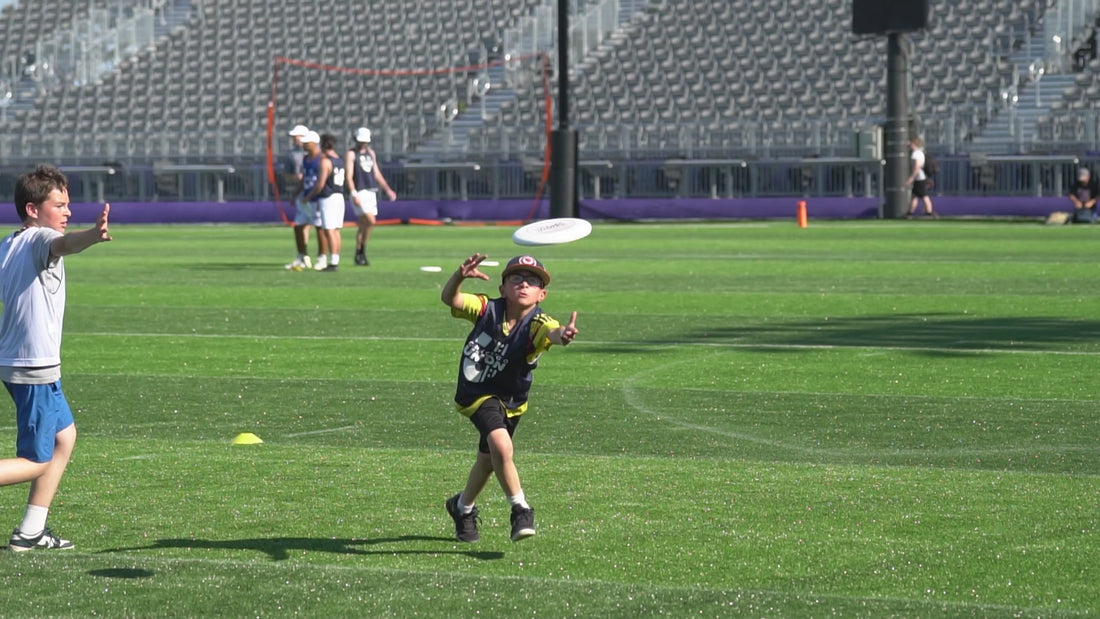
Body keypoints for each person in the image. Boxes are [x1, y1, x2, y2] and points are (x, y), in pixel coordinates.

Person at [0, 165, 112, 551]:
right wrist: (93, 236)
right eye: (59, 205)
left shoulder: (9, 243)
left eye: (68, 204)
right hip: (34, 367)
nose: (68, 211)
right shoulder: (40, 239)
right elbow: (64, 245)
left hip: (17, 362)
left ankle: (31, 530)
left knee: (65, 437)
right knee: (36, 460)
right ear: (33, 210)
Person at [441, 253, 579, 542]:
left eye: (532, 281)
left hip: (512, 401)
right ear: (502, 288)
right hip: (476, 393)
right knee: (501, 447)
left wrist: (564, 334)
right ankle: (521, 509)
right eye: (516, 278)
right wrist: (459, 277)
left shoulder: (538, 322)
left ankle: (462, 508)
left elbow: (553, 332)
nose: (524, 284)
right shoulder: (486, 308)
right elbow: (451, 299)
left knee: (488, 461)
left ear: (542, 294)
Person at [344, 127, 396, 266]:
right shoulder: (351, 154)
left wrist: (387, 189)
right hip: (359, 191)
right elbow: (349, 175)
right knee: (370, 221)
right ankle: (360, 251)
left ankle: (360, 252)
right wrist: (353, 193)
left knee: (364, 225)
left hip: (370, 190)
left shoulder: (370, 153)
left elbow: (376, 173)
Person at [304, 133, 346, 271]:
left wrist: (309, 196)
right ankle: (335, 259)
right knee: (336, 230)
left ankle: (333, 263)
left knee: (329, 230)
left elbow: (320, 184)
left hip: (328, 198)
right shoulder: (339, 160)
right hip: (339, 196)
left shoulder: (325, 161)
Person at [284, 124, 317, 271]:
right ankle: (302, 255)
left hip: (314, 193)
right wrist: (295, 180)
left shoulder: (316, 153)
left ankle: (324, 257)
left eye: (296, 136)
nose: (294, 139)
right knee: (300, 225)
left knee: (320, 226)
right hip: (301, 193)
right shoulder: (291, 155)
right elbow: (287, 175)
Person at [906, 136, 938, 219]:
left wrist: (912, 177)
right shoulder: (920, 153)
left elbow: (917, 166)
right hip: (920, 177)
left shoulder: (916, 154)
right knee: (915, 195)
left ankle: (929, 212)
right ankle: (910, 212)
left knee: (923, 195)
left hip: (920, 178)